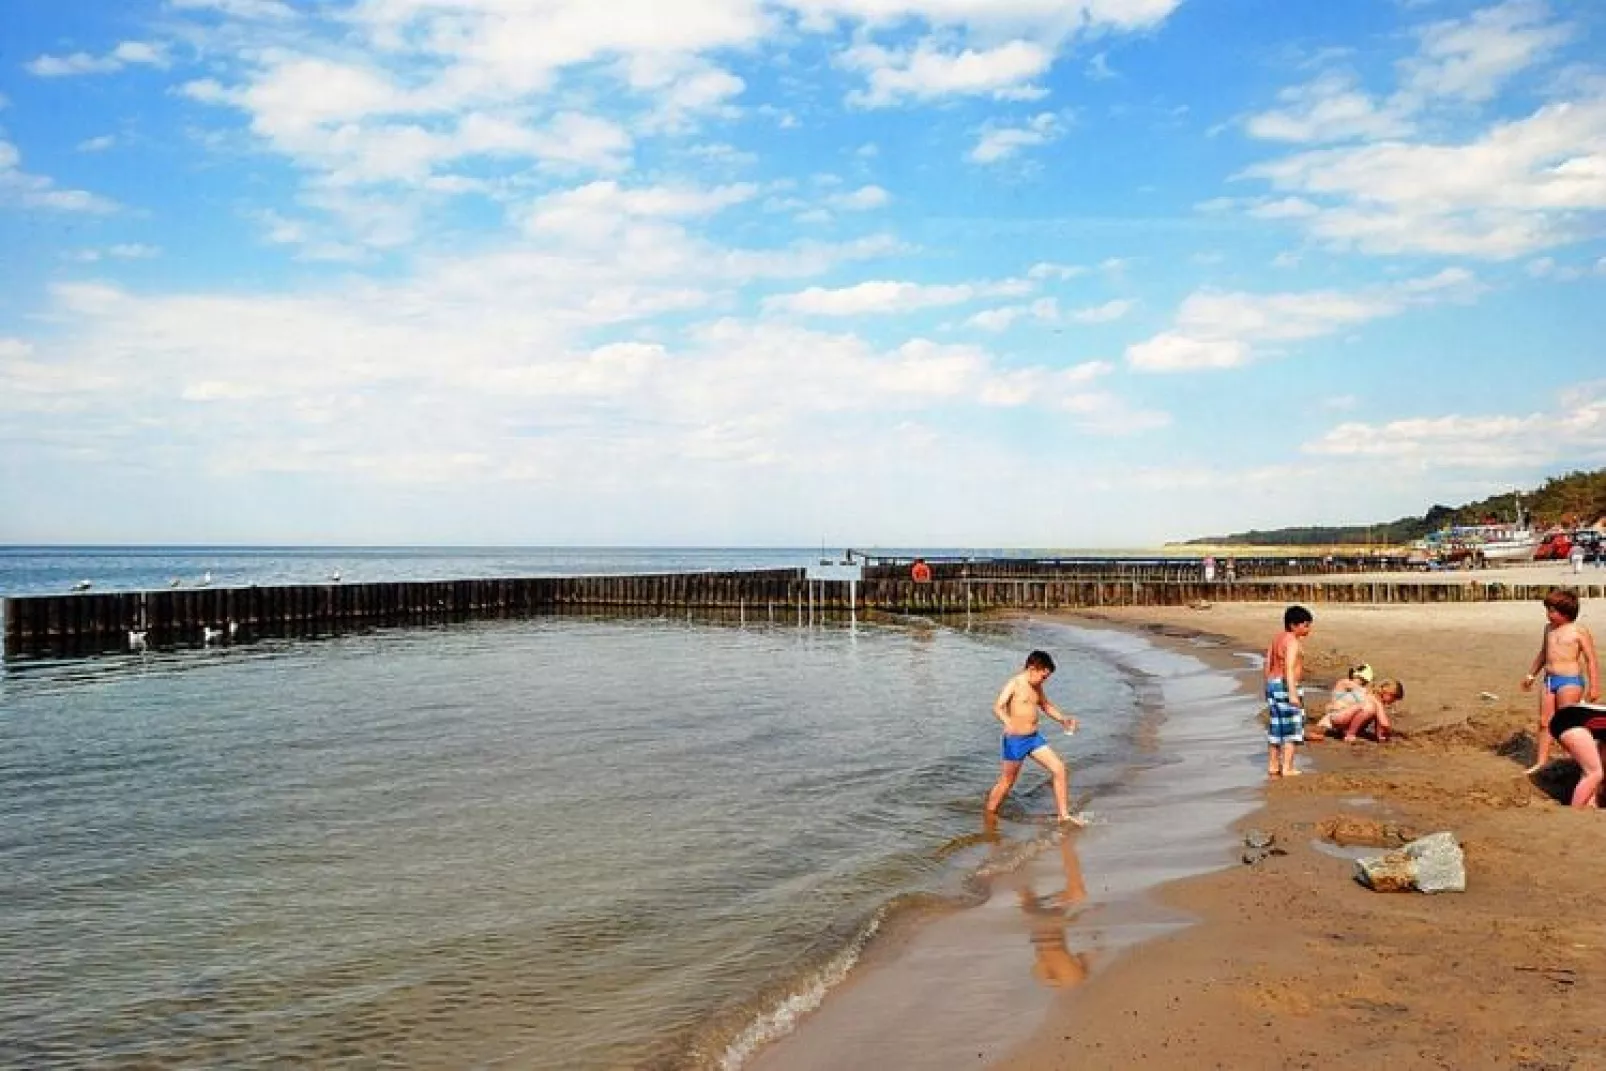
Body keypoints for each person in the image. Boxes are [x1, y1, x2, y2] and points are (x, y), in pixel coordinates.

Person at [985, 650, 1082, 824]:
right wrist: (1007, 721)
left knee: (1059, 768)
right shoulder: (1015, 683)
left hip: (1034, 739)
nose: (1044, 680)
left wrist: (1063, 719)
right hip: (1015, 741)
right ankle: (989, 815)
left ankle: (1063, 815)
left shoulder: (1036, 686)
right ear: (1032, 668)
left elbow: (1045, 705)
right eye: (1043, 676)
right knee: (1007, 782)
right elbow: (998, 707)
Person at [1520, 589, 1600, 773]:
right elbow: (1543, 654)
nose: (1548, 614)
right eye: (1548, 610)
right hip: (1549, 680)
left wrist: (1594, 686)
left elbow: (1591, 659)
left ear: (1565, 613)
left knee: (1567, 723)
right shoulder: (1548, 629)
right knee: (1544, 722)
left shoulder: (1578, 632)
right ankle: (1541, 762)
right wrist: (1531, 675)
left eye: (1552, 611)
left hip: (1570, 681)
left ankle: (1581, 760)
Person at [1264, 605, 1313, 777]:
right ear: (1293, 625)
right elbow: (1289, 669)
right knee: (1292, 727)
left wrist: (1268, 684)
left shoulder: (1277, 638)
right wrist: (1292, 693)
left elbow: (1268, 662)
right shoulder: (1292, 641)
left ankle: (1273, 765)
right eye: (1305, 625)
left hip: (1273, 684)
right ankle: (1287, 767)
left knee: (1276, 726)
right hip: (1286, 686)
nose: (1308, 629)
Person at [1547, 703, 1606, 808]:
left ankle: (1590, 804)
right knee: (1595, 773)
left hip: (1568, 717)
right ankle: (1574, 811)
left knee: (1592, 768)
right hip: (1570, 722)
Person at [1326, 679, 1406, 743]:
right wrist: (1389, 732)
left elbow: (1379, 722)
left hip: (1338, 717)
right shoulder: (1374, 700)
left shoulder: (1370, 694)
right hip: (1340, 719)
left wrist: (1380, 736)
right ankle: (1350, 734)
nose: (1393, 701)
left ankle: (1347, 730)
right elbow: (1384, 723)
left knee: (1372, 710)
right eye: (1394, 697)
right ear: (1386, 691)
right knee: (1369, 709)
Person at [1314, 663, 1373, 736]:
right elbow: (1360, 690)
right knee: (1364, 704)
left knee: (1366, 706)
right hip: (1333, 718)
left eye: (1364, 682)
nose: (1362, 683)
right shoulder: (1345, 682)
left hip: (1342, 717)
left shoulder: (1357, 689)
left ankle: (1349, 730)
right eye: (1362, 680)